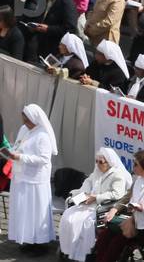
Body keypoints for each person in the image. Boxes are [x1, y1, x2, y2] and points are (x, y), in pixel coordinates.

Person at [94, 149, 144, 262]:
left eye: (136, 165)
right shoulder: (139, 179)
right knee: (105, 237)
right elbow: (127, 197)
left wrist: (143, 208)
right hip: (136, 222)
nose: (133, 167)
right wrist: (114, 209)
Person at [58, 148, 131, 262]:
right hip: (88, 202)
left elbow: (117, 194)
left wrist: (96, 197)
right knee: (68, 217)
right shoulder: (96, 171)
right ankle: (68, 249)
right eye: (96, 161)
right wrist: (84, 194)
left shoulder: (117, 174)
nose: (97, 164)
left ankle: (83, 253)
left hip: (102, 206)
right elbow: (88, 182)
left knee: (83, 223)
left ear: (109, 162)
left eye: (100, 162)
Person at [7, 104, 58, 255]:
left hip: (35, 180)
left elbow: (43, 159)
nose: (24, 123)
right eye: (24, 120)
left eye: (27, 120)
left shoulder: (43, 135)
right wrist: (10, 151)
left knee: (36, 212)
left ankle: (40, 244)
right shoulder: (24, 129)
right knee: (24, 211)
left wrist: (20, 157)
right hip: (21, 176)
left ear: (35, 119)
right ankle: (28, 239)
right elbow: (18, 146)